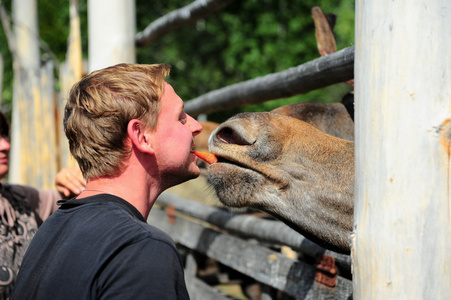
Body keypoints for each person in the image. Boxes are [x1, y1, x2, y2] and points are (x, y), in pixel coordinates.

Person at [11, 63, 203, 299]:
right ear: (141, 136)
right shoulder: (140, 248)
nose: (197, 126)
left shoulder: (50, 231)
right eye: (181, 118)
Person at [0, 111, 86, 299]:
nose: (6, 145)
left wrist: (71, 178)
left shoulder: (20, 198)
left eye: (4, 134)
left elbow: (73, 200)